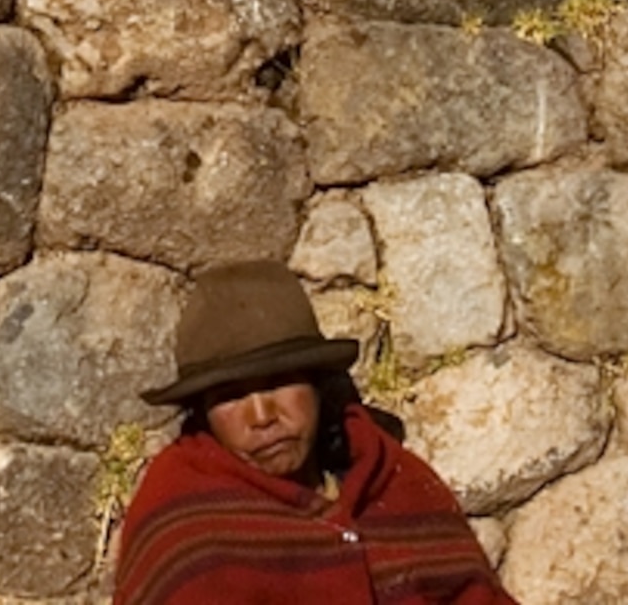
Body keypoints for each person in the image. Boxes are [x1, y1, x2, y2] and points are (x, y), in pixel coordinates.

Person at [111, 259, 519, 605]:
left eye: (278, 383)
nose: (262, 415)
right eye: (231, 397)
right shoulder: (185, 524)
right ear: (203, 412)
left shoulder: (393, 482)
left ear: (315, 384)